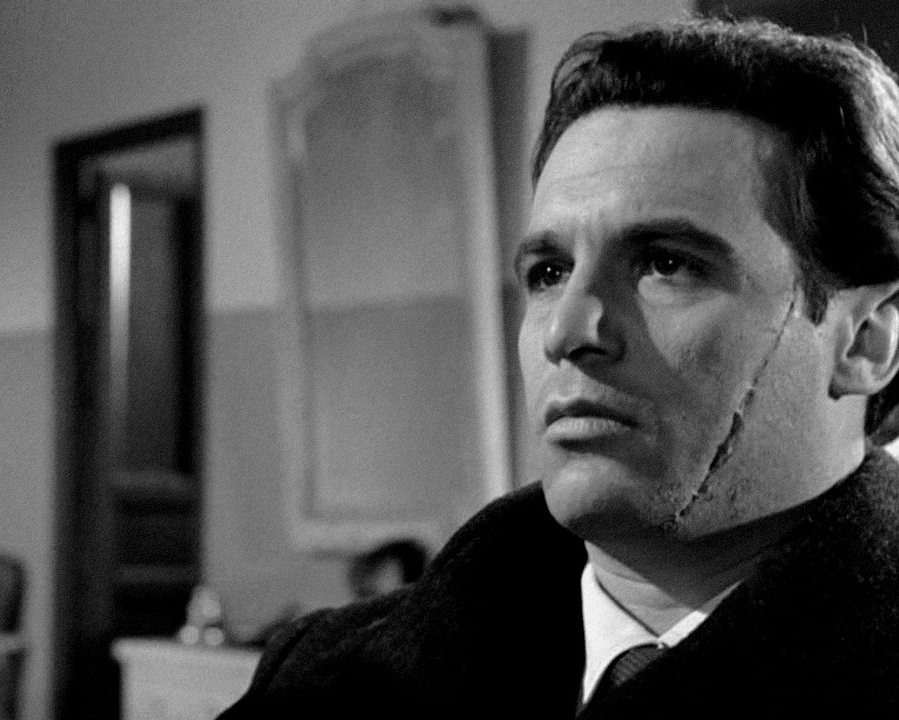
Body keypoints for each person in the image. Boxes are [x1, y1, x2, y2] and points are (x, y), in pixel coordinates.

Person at [221, 17, 899, 718]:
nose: (567, 332)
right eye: (549, 272)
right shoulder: (328, 678)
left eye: (667, 264)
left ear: (865, 341)